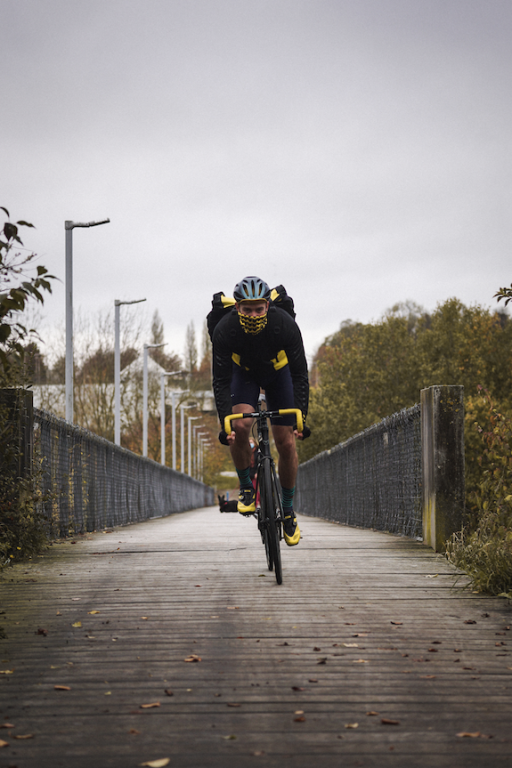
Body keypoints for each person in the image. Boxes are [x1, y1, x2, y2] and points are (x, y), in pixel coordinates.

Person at [211, 276, 310, 546]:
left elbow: (300, 374)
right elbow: (220, 381)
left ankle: (288, 511)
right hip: (243, 374)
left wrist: (302, 417)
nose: (253, 314)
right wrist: (225, 425)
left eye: (258, 309)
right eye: (247, 309)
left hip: (279, 373)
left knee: (286, 442)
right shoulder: (225, 329)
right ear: (237, 308)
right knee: (240, 427)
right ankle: (246, 487)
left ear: (268, 306)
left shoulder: (285, 325)